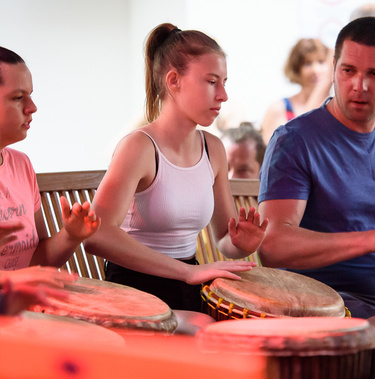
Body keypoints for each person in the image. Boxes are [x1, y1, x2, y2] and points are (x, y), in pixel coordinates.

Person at [257, 17, 375, 379]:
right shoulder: (295, 140)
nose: (360, 85)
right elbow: (272, 245)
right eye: (348, 70)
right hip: (322, 299)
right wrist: (374, 239)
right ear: (334, 68)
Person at [85, 23, 268, 313]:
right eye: (211, 82)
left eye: (224, 82)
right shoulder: (139, 147)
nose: (223, 95)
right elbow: (96, 235)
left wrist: (242, 244)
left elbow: (223, 238)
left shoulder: (213, 149)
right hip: (135, 288)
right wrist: (187, 273)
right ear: (174, 80)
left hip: (188, 285)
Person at [0, 46, 100, 272]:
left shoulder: (21, 165)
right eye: (18, 97)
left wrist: (71, 235)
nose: (32, 108)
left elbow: (38, 262)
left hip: (27, 304)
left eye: (30, 96)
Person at [261, 38, 333, 144]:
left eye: (321, 62)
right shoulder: (278, 109)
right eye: (308, 63)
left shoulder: (337, 109)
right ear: (296, 69)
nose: (316, 70)